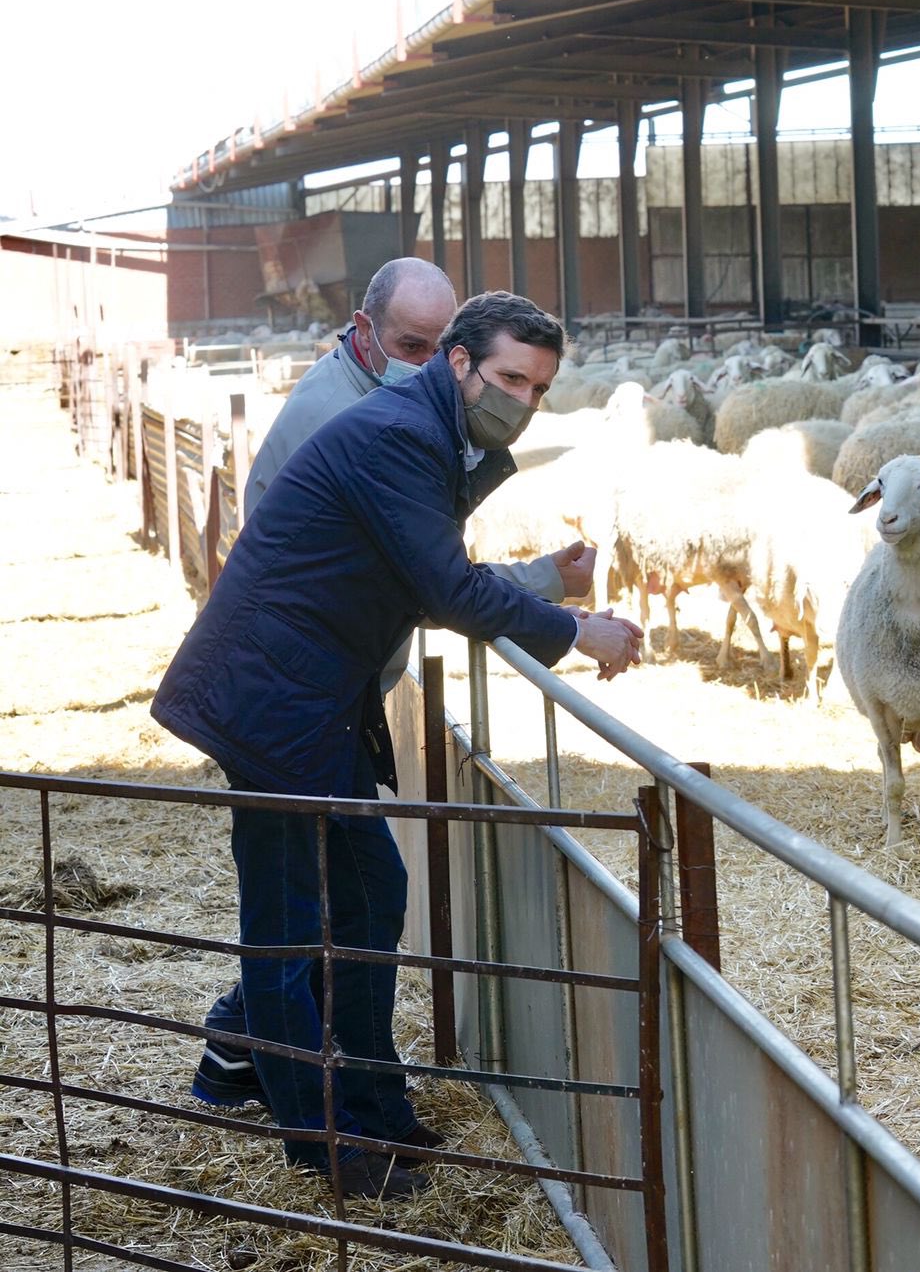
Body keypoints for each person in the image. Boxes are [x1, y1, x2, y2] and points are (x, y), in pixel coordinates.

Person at [152, 291, 643, 1197]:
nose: (522, 401)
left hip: (314, 698)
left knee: (375, 890)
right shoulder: (397, 438)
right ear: (456, 364)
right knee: (287, 931)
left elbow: (429, 573)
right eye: (507, 379)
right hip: (271, 701)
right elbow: (447, 589)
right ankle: (322, 1139)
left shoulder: (429, 433)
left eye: (537, 389)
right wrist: (576, 631)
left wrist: (543, 594)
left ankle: (376, 1102)